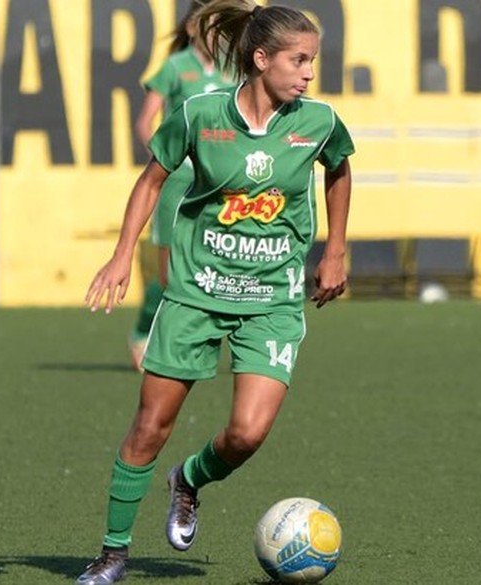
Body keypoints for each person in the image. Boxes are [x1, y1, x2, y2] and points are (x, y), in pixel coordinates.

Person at [78, 0, 354, 582]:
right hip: (196, 293)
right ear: (261, 59)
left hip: (271, 302)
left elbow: (340, 167)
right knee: (150, 428)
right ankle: (112, 554)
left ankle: (190, 481)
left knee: (248, 433)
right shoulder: (200, 115)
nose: (308, 73)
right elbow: (151, 179)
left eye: (312, 61)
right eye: (299, 60)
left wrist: (335, 248)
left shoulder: (318, 121)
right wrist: (122, 255)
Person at [128, 0, 233, 371]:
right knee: (169, 272)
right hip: (179, 183)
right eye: (210, 25)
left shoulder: (231, 71)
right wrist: (166, 160)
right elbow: (144, 122)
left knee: (213, 262)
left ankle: (192, 342)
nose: (217, 34)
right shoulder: (175, 68)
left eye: (222, 26)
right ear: (191, 28)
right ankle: (144, 331)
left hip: (218, 184)